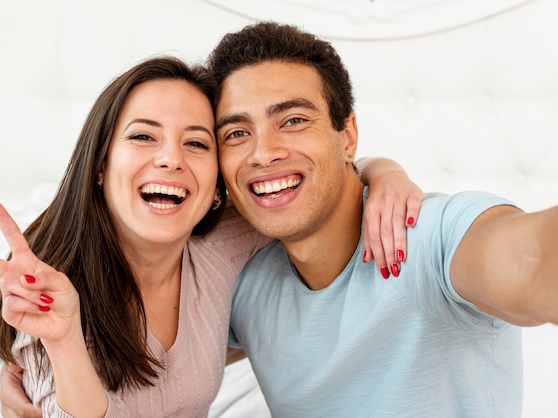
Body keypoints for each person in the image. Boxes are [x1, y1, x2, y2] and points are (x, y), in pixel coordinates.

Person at [0, 56, 422, 417]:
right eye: (143, 136)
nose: (171, 159)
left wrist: (385, 174)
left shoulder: (225, 241)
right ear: (101, 166)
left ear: (216, 183)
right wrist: (64, 340)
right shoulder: (49, 285)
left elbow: (313, 184)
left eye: (195, 143)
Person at [206, 21, 558, 417]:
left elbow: (533, 257)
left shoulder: (429, 237)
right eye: (236, 133)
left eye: (293, 121)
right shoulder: (245, 282)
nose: (262, 153)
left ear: (348, 137)